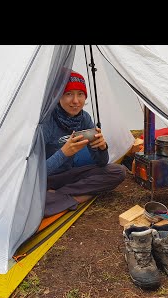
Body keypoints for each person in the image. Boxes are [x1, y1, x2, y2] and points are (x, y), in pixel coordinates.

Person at [41, 70, 126, 217]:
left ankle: (62, 197)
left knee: (118, 171)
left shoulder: (84, 118)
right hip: (45, 180)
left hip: (68, 175)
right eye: (69, 94)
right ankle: (79, 197)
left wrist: (102, 148)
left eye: (80, 94)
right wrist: (64, 153)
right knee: (27, 202)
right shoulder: (46, 122)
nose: (75, 101)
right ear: (58, 95)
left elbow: (101, 163)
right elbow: (35, 174)